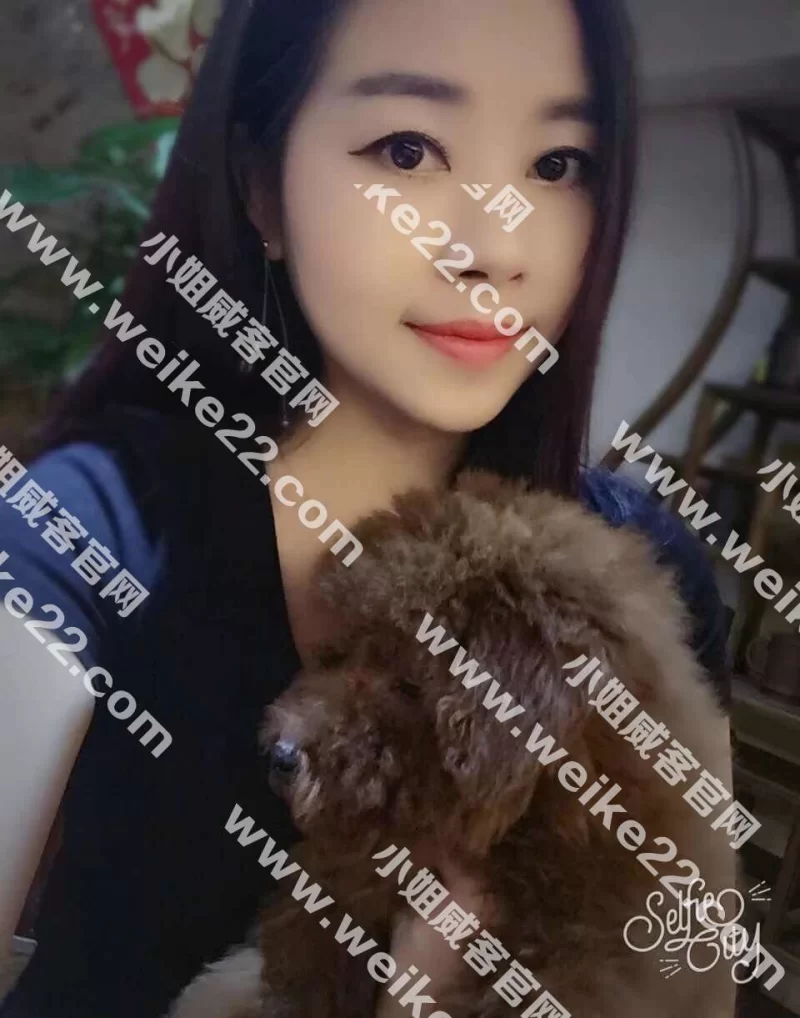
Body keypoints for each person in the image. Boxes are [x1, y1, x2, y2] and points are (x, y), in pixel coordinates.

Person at [0, 0, 734, 1015]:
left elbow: (688, 974)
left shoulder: (640, 574)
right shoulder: (91, 530)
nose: (494, 248)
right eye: (407, 149)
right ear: (260, 185)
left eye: (557, 164)